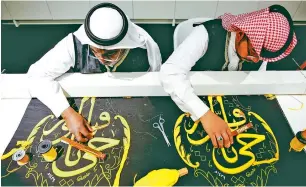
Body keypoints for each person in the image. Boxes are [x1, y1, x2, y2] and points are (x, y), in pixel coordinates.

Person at [160, 5, 297, 148]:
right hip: (194, 96)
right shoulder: (205, 34)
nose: (256, 60)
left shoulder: (258, 53)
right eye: (252, 52)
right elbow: (170, 72)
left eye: (261, 57)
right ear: (240, 33)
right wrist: (204, 114)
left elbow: (256, 81)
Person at [27, 2, 162, 142]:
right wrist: (67, 113)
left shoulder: (144, 46)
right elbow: (36, 75)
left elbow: (154, 77)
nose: (101, 58)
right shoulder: (74, 44)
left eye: (110, 54)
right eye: (95, 51)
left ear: (125, 45)